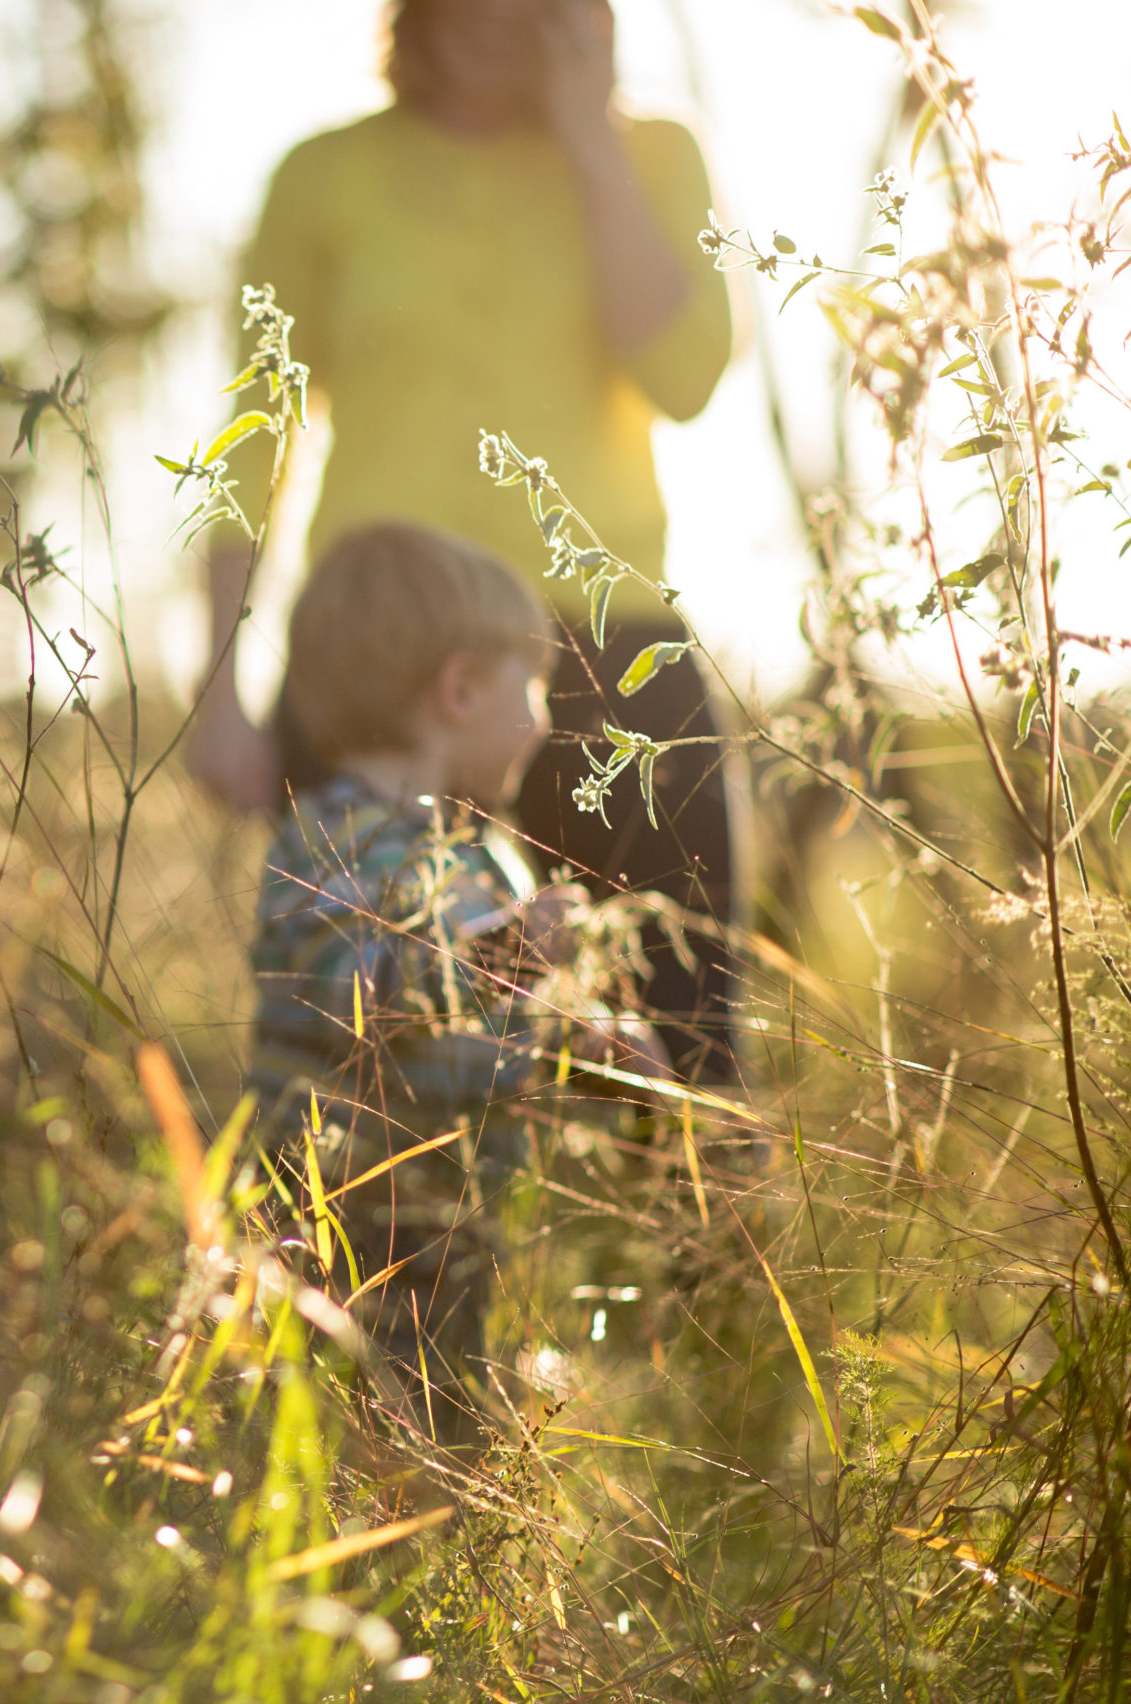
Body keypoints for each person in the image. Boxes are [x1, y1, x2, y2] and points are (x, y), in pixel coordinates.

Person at [194, 0, 742, 1081]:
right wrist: (216, 688)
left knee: (676, 1058)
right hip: (373, 662)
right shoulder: (322, 176)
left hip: (613, 652)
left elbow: (683, 377)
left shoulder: (656, 156)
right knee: (373, 1053)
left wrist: (591, 143)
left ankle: (689, 1256)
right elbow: (251, 442)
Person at [253, 523, 663, 1444]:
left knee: (446, 1459)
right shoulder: (330, 843)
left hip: (451, 1251)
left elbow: (483, 1040)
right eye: (535, 690)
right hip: (331, 1254)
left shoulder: (477, 856)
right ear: (461, 689)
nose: (548, 722)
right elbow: (371, 1000)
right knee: (338, 1461)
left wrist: (588, 1050)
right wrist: (518, 953)